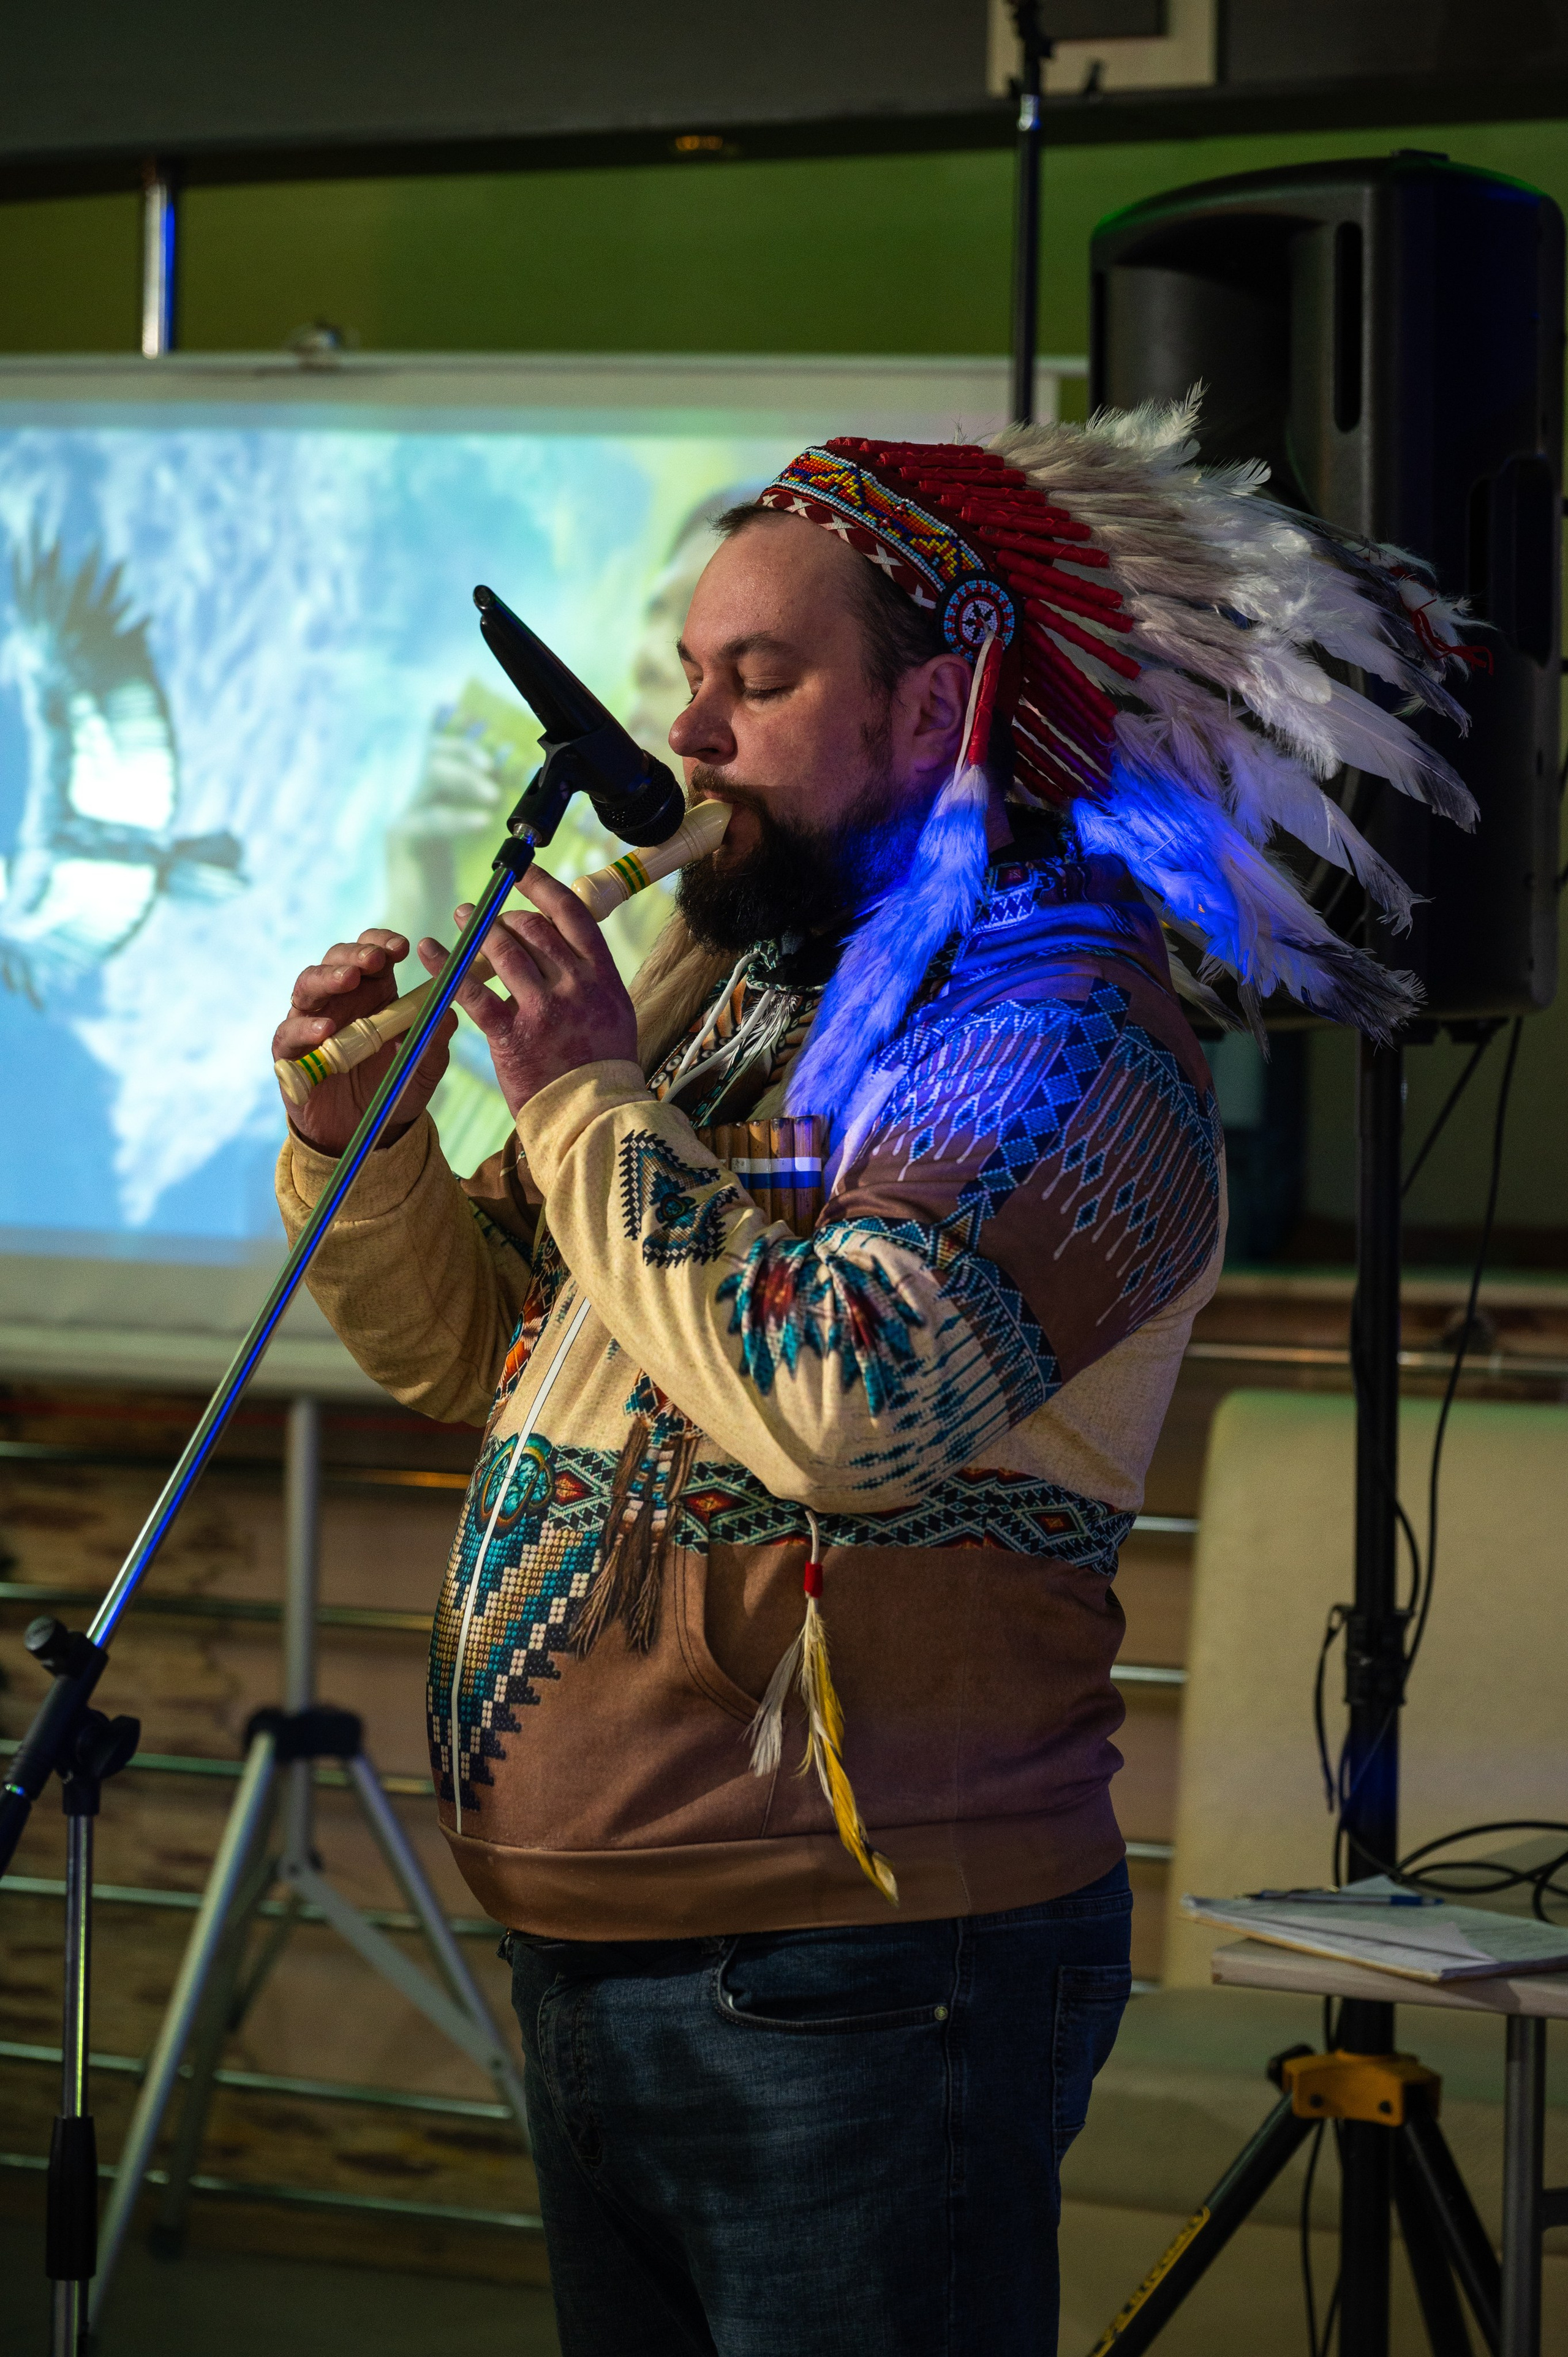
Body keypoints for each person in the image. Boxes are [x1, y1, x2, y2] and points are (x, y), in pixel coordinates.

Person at [271, 402, 1476, 2356]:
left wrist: (580, 1094)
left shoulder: (1060, 1034)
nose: (690, 738)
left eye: (761, 680)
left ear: (938, 716)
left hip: (857, 1983)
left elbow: (848, 1403)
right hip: (611, 1965)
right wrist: (360, 1139)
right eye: (691, 678)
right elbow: (471, 1345)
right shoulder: (732, 992)